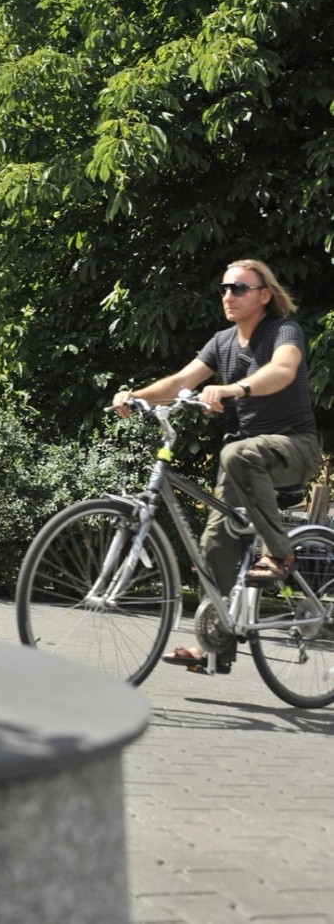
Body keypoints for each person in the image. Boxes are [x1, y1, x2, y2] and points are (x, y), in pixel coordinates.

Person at [112, 259, 321, 672]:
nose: (229, 295)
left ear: (264, 295)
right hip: (243, 458)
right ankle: (215, 651)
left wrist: (235, 388)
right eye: (225, 288)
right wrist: (134, 397)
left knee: (236, 454)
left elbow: (283, 370)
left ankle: (279, 553)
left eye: (239, 288)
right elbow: (178, 383)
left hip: (294, 447)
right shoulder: (222, 342)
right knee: (213, 546)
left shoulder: (283, 332)